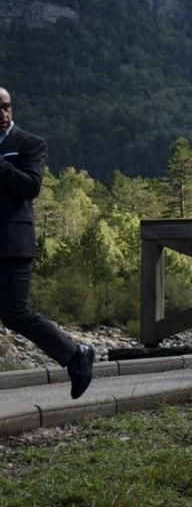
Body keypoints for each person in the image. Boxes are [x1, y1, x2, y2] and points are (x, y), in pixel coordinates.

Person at [0, 87, 94, 398]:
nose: (3, 114)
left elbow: (31, 187)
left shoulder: (30, 143)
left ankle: (75, 354)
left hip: (14, 244)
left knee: (15, 312)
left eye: (6, 107)